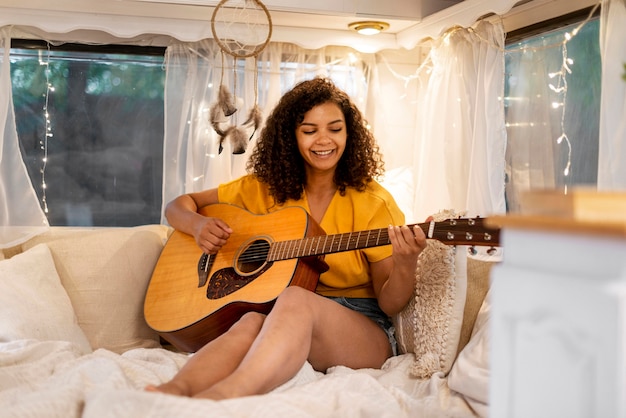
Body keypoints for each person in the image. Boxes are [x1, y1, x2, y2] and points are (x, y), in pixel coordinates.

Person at [146, 77, 427, 400]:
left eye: (335, 129)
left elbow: (390, 302)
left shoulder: (374, 202)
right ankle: (173, 392)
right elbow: (178, 206)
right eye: (310, 130)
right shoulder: (264, 187)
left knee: (294, 298)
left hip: (362, 327)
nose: (324, 140)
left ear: (349, 134)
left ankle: (226, 396)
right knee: (252, 319)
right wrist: (197, 226)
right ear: (291, 136)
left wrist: (406, 262)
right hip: (282, 318)